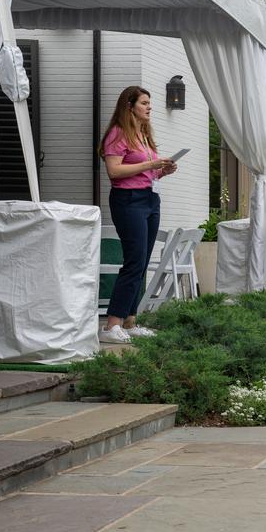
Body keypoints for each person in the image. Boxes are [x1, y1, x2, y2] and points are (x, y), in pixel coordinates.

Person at [99, 86, 177, 344]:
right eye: (144, 103)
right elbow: (114, 171)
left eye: (149, 103)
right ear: (129, 106)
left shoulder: (143, 135)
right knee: (133, 262)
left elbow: (146, 173)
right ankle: (112, 325)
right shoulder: (117, 134)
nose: (149, 107)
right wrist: (150, 164)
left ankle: (130, 321)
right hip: (128, 201)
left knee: (142, 262)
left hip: (149, 198)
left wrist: (162, 171)